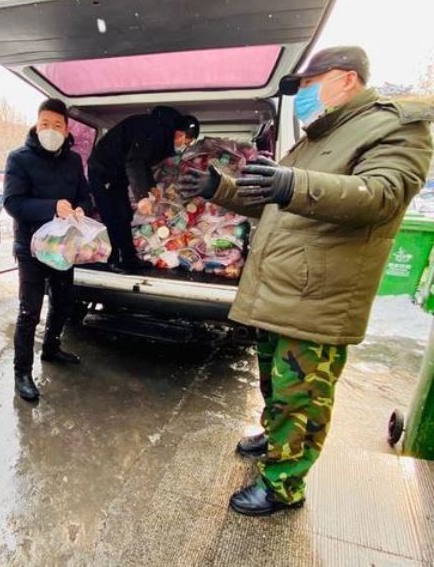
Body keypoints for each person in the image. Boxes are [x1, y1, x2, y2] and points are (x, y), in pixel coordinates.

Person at [178, 46, 433, 516]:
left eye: (310, 84)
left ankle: (283, 486)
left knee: (304, 396)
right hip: (280, 287)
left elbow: (382, 195)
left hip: (318, 294)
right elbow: (275, 199)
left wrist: (292, 184)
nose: (304, 96)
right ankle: (277, 439)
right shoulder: (318, 137)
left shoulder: (398, 127)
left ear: (347, 78)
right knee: (277, 382)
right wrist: (221, 189)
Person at [4, 98, 93, 402]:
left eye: (57, 125)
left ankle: (52, 348)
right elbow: (13, 204)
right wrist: (51, 207)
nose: (50, 130)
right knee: (29, 310)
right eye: (45, 124)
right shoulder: (19, 159)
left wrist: (81, 207)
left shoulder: (72, 160)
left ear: (67, 128)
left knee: (63, 300)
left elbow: (84, 194)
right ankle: (22, 372)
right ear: (36, 124)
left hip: (63, 246)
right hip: (31, 246)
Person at [87, 107, 199, 272]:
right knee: (112, 216)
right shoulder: (152, 129)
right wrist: (141, 196)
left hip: (117, 174)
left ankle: (130, 259)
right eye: (183, 138)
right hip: (103, 171)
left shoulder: (161, 134)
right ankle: (113, 260)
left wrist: (151, 187)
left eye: (187, 142)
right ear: (178, 132)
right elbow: (135, 162)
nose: (182, 143)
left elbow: (144, 163)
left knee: (124, 214)